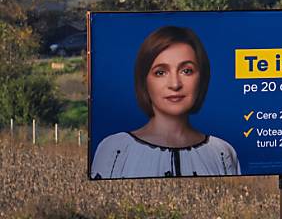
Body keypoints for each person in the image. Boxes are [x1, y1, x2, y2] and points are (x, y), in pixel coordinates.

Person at [91, 26, 239, 178]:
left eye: (186, 71)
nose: (175, 84)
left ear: (202, 78)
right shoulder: (115, 150)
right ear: (144, 81)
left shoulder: (221, 152)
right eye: (160, 72)